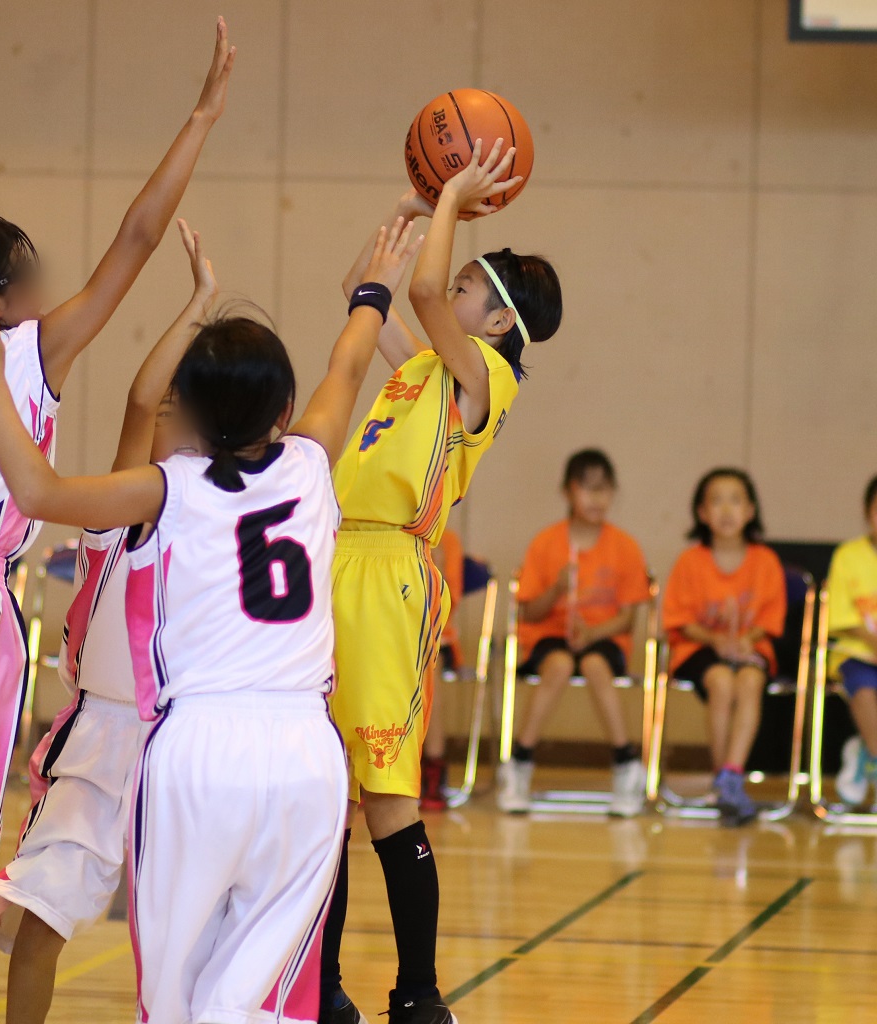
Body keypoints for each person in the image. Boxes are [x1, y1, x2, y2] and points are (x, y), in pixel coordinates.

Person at [0, 20, 234, 1022]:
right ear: (2, 294)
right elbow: (137, 240)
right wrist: (200, 115)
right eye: (30, 271)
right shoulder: (25, 353)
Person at [0, 219, 423, 1024]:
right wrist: (373, 290)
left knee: (174, 998)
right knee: (265, 992)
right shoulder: (312, 462)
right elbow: (348, 364)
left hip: (197, 746)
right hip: (306, 752)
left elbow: (37, 492)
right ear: (281, 406)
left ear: (191, 414)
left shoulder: (165, 489)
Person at [323, 142, 563, 1024]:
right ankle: (324, 988)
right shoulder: (423, 368)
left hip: (390, 572)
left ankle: (419, 995)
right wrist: (415, 205)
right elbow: (365, 289)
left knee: (385, 794)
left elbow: (419, 295)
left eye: (466, 286)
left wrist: (455, 201)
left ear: (497, 323)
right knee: (326, 794)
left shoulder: (482, 377)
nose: (447, 288)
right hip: (334, 556)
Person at [0, 220, 216, 1024]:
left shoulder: (212, 517)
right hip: (100, 738)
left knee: (192, 930)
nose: (170, 424)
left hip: (179, 739)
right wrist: (198, 304)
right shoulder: (119, 504)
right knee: (43, 912)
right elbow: (141, 396)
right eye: (170, 416)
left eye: (189, 418)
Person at [497, 449, 650, 817]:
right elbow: (529, 611)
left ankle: (626, 765)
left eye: (605, 489)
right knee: (559, 665)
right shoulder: (547, 543)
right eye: (588, 488)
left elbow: (628, 619)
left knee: (598, 668)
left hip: (603, 637)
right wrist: (556, 590)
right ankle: (519, 763)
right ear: (569, 491)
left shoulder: (624, 546)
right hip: (551, 636)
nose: (597, 498)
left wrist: (593, 631)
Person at [662, 468, 786, 827]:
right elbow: (680, 620)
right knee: (721, 681)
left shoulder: (765, 561)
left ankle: (730, 775)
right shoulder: (691, 562)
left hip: (749, 647)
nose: (726, 510)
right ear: (702, 513)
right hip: (700, 647)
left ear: (750, 510)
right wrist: (715, 639)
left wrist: (746, 640)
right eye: (716, 501)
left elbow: (770, 618)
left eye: (736, 500)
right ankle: (723, 776)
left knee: (749, 682)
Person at [826, 474, 877, 806]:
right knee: (864, 689)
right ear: (866, 511)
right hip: (857, 653)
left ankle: (864, 755)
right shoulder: (848, 555)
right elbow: (838, 620)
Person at [420, 526, 465, 811]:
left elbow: (453, 598)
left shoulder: (447, 541)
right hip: (388, 631)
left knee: (427, 668)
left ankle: (433, 767)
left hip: (436, 636)